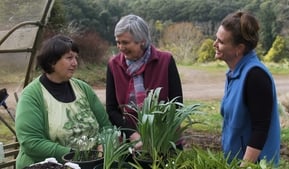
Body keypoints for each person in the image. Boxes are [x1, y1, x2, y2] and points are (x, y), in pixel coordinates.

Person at [15, 35, 111, 169]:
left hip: (92, 163)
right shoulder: (32, 95)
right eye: (69, 58)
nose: (75, 63)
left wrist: (104, 144)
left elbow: (106, 126)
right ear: (51, 61)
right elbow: (31, 142)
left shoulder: (83, 89)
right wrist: (75, 155)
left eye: (76, 58)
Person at [213, 11, 280, 167]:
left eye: (221, 41)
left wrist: (245, 165)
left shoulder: (255, 76)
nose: (214, 44)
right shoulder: (235, 73)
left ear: (239, 48)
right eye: (216, 38)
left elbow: (260, 129)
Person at [106, 14, 183, 148]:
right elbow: (111, 109)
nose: (120, 47)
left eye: (125, 42)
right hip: (130, 142)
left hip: (163, 141)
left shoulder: (165, 61)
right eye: (118, 42)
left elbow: (176, 104)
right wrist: (133, 135)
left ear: (141, 40)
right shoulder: (114, 65)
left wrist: (157, 137)